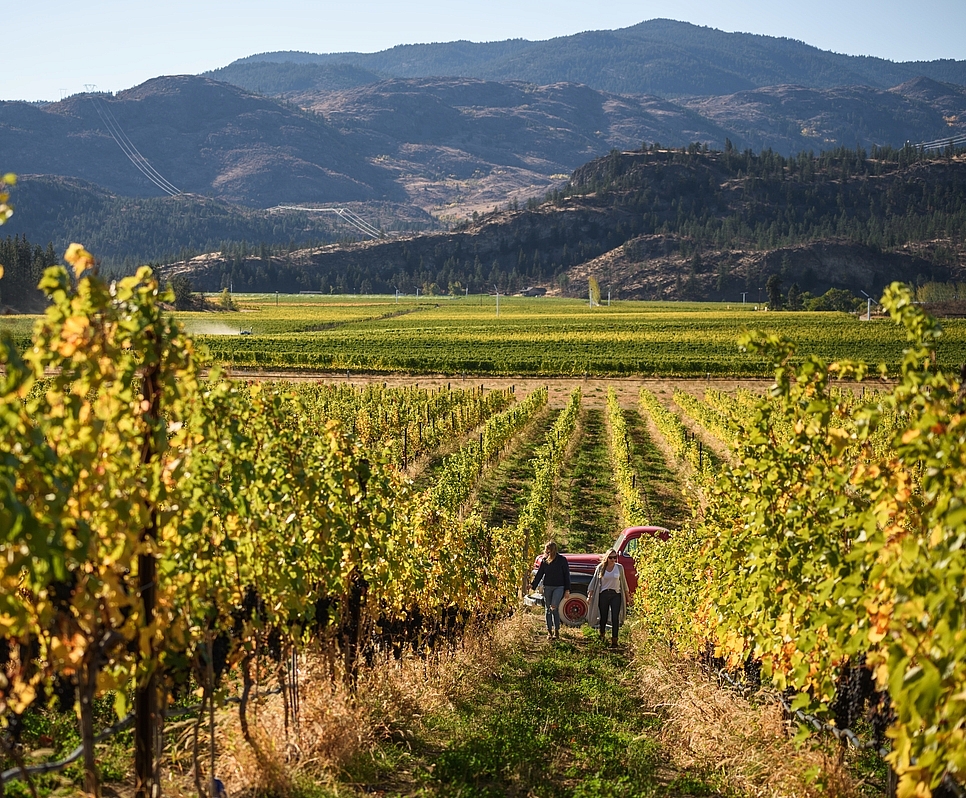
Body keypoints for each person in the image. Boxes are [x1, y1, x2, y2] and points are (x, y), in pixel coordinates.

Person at [587, 548, 629, 647]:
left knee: (615, 617)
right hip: (604, 594)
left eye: (615, 557)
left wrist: (628, 597)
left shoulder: (619, 568)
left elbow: (624, 583)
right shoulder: (600, 568)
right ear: (607, 557)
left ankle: (615, 640)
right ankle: (602, 635)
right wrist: (590, 595)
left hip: (615, 595)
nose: (613, 560)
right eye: (611, 558)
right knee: (603, 617)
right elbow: (594, 583)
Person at [530, 541, 571, 639]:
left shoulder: (562, 560)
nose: (546, 552)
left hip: (559, 587)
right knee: (548, 609)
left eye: (548, 550)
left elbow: (566, 575)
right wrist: (532, 586)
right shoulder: (545, 561)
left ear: (552, 550)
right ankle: (549, 631)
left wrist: (567, 589)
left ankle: (556, 630)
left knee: (553, 607)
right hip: (547, 586)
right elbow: (540, 574)